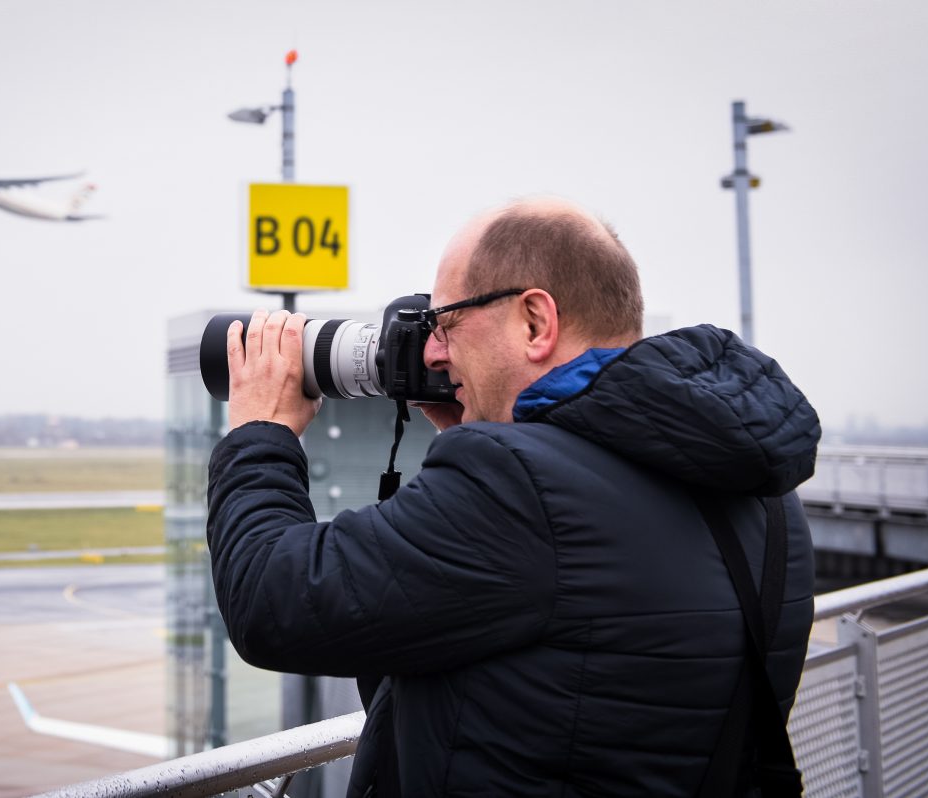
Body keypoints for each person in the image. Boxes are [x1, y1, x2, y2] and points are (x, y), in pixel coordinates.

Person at [207, 197, 818, 797]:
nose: (434, 353)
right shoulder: (763, 495)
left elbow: (273, 599)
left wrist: (262, 429)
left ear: (534, 322)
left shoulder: (519, 489)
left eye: (445, 323)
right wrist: (485, 436)